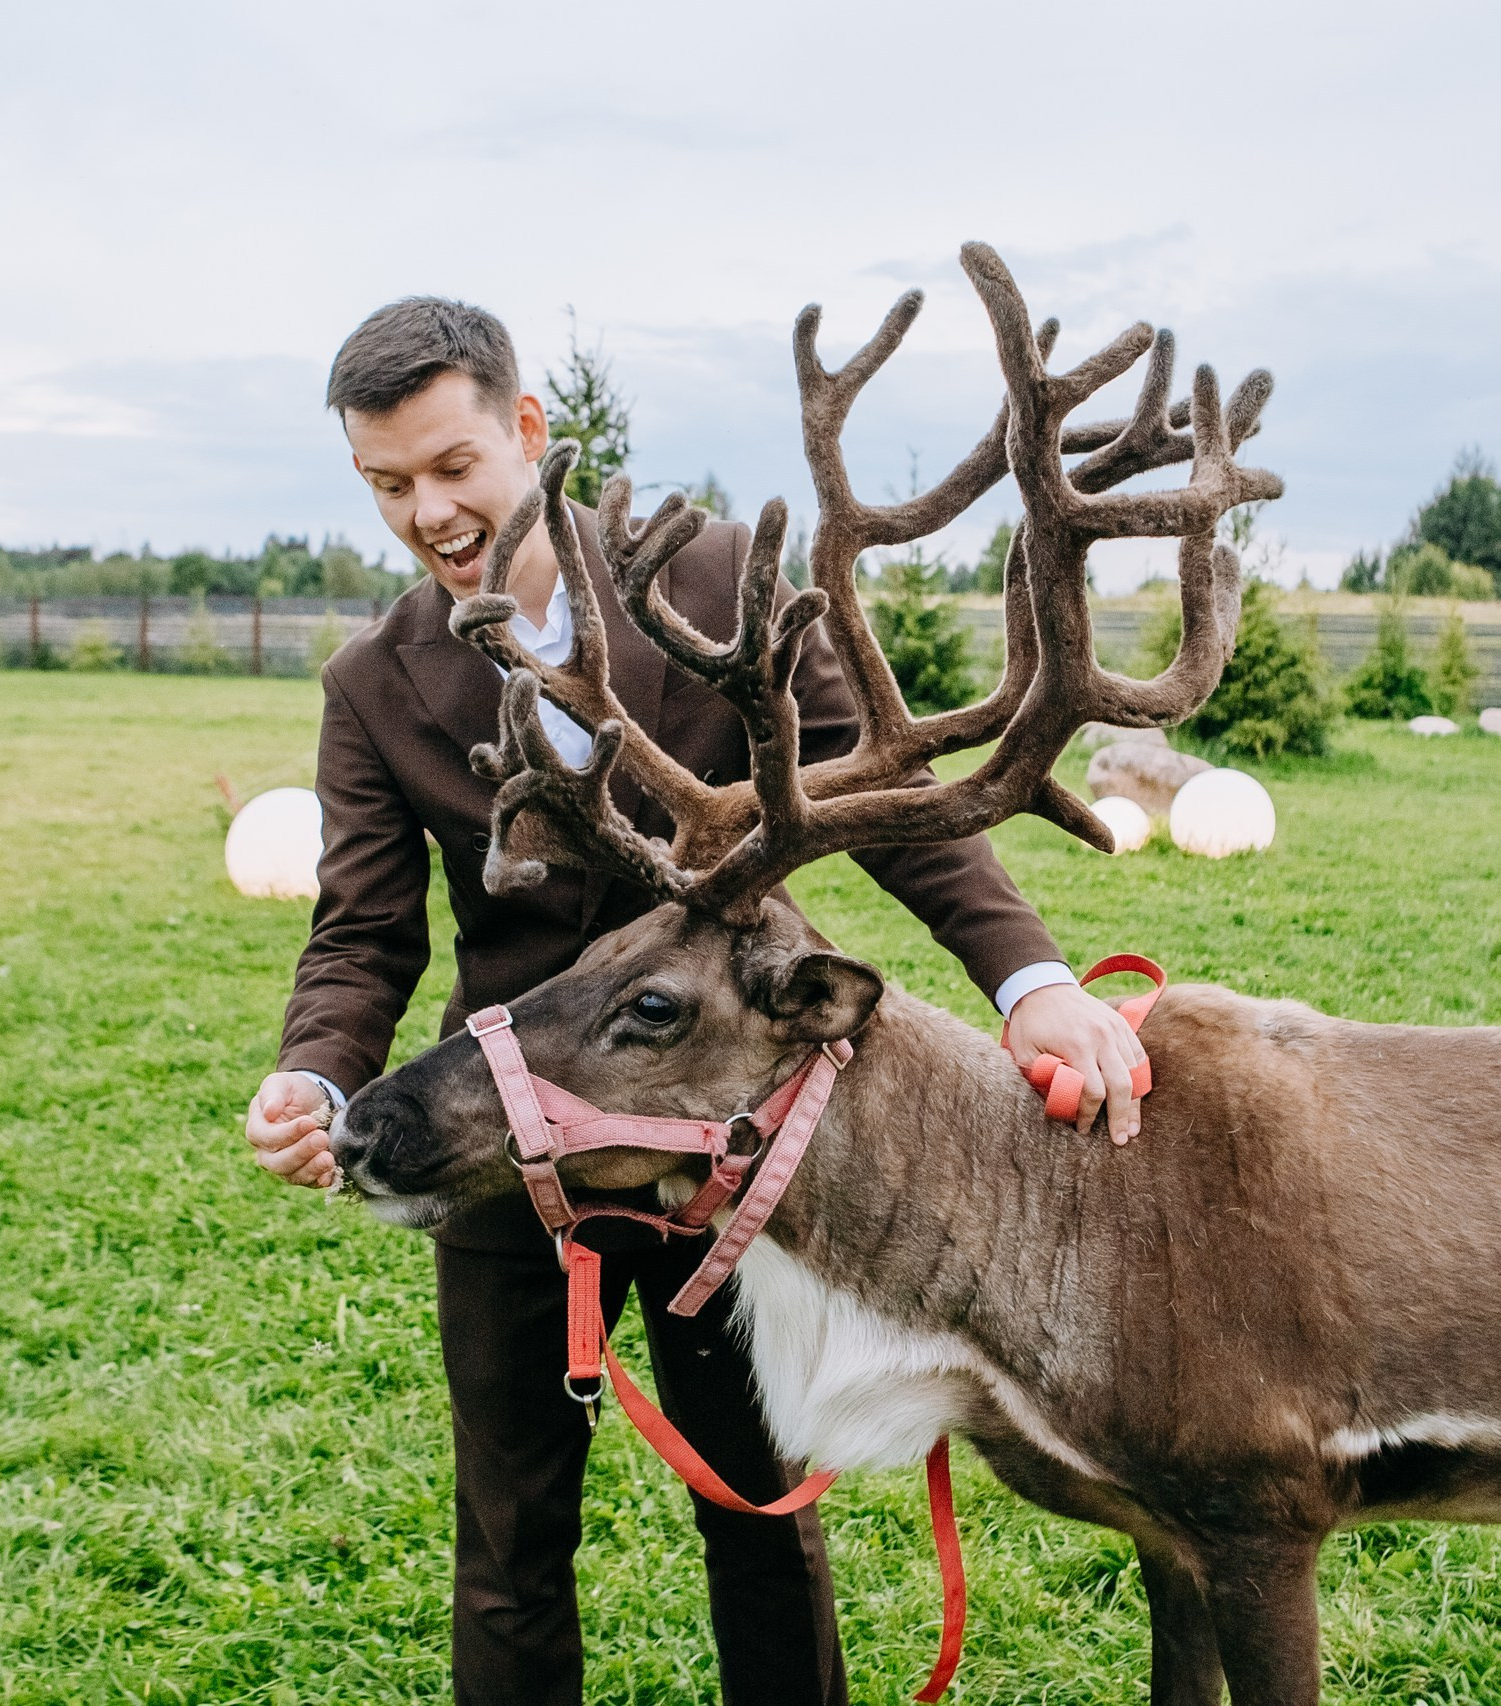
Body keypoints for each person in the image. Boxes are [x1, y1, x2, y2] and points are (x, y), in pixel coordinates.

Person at [241, 297, 1145, 1706]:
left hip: (728, 1140)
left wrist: (1029, 982)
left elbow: (888, 798)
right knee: (509, 1536)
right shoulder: (371, 683)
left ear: (527, 431)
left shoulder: (718, 578)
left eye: (453, 466)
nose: (429, 510)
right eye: (388, 484)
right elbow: (361, 930)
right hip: (509, 1143)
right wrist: (318, 1072)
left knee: (756, 1509)